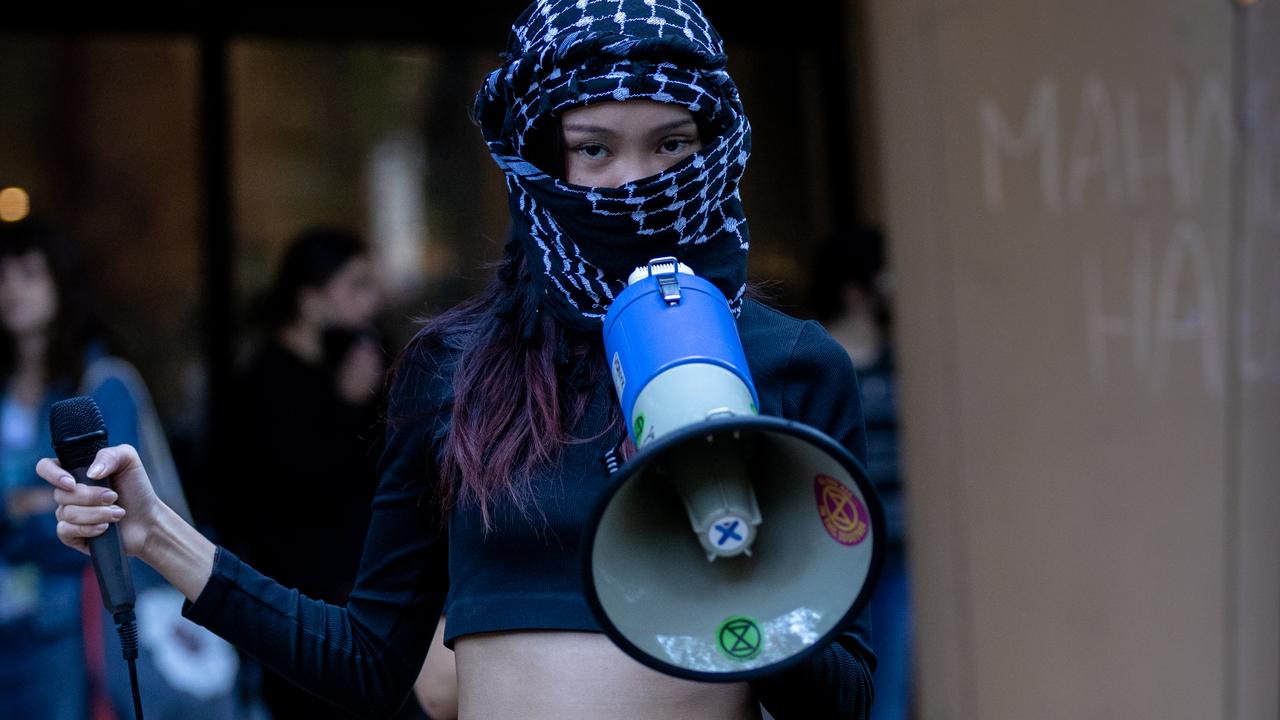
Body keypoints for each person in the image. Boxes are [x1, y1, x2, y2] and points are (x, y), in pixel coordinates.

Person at [39, 2, 877, 718]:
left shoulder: (795, 366)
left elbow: (846, 698)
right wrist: (154, 535)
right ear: (546, 164)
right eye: (594, 149)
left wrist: (747, 563)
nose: (632, 182)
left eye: (670, 145)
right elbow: (369, 661)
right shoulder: (459, 366)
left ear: (715, 151)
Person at [1, 216, 236, 719]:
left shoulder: (99, 382)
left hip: (69, 621)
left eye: (28, 274)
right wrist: (35, 505)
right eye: (1, 276)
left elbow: (108, 508)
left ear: (61, 283)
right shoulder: (5, 389)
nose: (11, 289)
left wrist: (26, 512)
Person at [226, 227, 399, 718]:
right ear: (311, 296)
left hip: (351, 583)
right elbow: (302, 482)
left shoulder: (348, 356)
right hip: (300, 592)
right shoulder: (269, 380)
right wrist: (347, 403)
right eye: (357, 284)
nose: (374, 299)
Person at [815, 227, 913, 720]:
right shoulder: (814, 366)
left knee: (889, 694)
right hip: (833, 558)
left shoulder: (906, 362)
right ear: (857, 290)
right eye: (884, 277)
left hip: (897, 557)